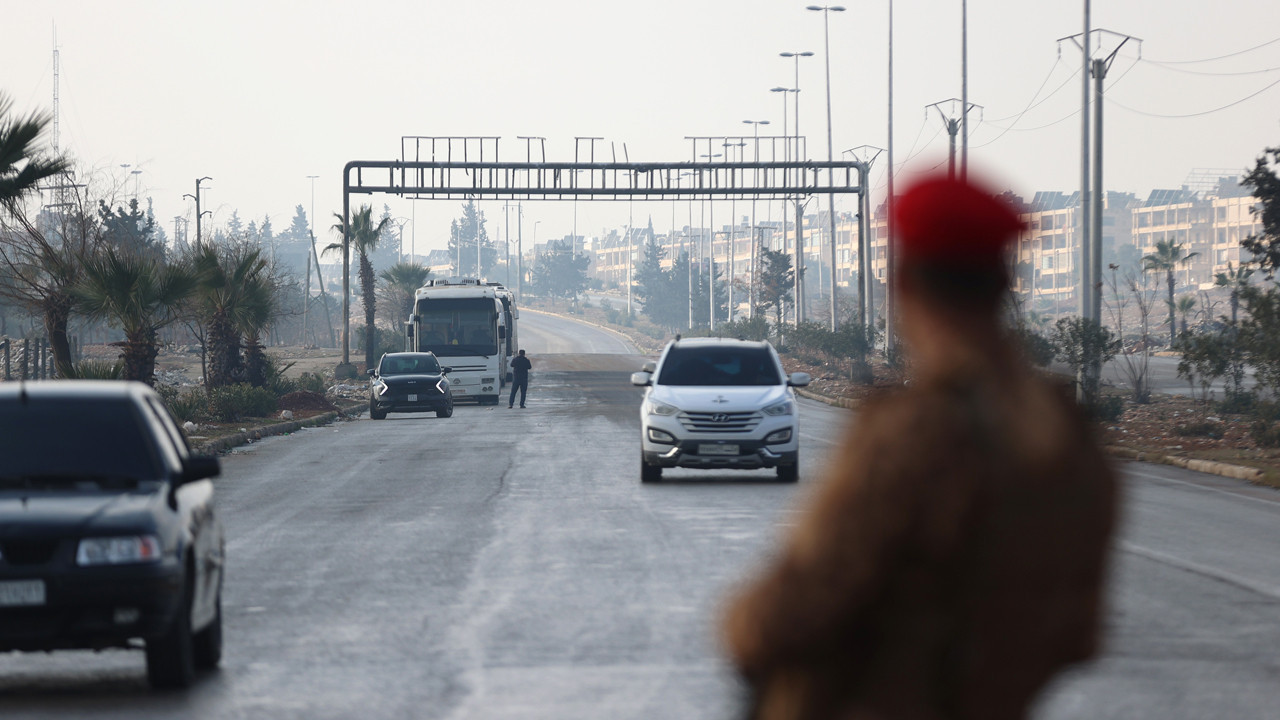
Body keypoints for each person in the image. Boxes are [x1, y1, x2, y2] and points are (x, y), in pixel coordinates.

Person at [721, 174, 1118, 720]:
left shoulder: (916, 434)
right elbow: (1079, 635)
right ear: (1005, 284)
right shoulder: (1068, 441)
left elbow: (793, 607)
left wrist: (742, 624)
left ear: (904, 285)